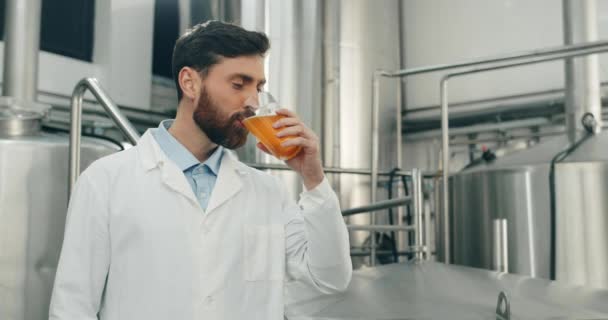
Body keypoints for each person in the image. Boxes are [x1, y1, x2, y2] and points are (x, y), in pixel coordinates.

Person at [48, 20, 352, 320]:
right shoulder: (106, 180)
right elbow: (73, 307)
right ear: (190, 83)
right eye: (238, 84)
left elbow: (328, 281)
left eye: (258, 87)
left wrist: (313, 178)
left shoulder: (268, 192)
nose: (253, 102)